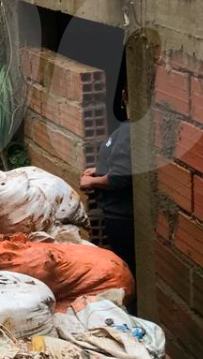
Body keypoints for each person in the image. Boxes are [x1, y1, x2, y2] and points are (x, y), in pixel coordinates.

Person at [80, 89, 135, 276]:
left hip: (122, 217)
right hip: (119, 214)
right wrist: (99, 170)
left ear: (123, 96)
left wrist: (93, 181)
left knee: (126, 269)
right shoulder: (128, 127)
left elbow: (120, 178)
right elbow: (126, 164)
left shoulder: (129, 131)